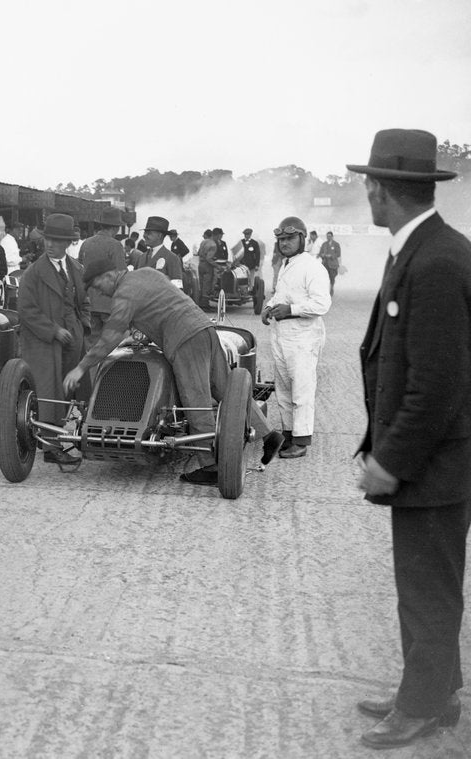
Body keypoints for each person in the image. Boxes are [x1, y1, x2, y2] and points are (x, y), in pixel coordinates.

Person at [345, 129, 471, 750]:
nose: (363, 191)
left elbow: (438, 386)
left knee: (427, 591)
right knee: (423, 585)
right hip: (432, 461)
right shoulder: (417, 248)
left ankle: (421, 705)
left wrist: (390, 461)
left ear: (380, 189)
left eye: (367, 182)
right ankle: (433, 691)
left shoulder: (439, 260)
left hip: (436, 465)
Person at [63, 262, 285, 483]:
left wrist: (81, 368)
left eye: (96, 283)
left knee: (195, 401)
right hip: (204, 329)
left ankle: (211, 467)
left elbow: (109, 338)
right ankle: (269, 435)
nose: (97, 290)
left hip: (184, 339)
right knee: (226, 390)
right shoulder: (147, 273)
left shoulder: (124, 295)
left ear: (110, 274)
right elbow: (164, 306)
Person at [18, 214, 90, 465]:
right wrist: (53, 331)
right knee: (50, 393)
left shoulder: (76, 268)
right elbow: (26, 310)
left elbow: (85, 300)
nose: (49, 244)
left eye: (56, 240)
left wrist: (83, 326)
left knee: (75, 389)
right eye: (48, 239)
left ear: (67, 243)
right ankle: (51, 447)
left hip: (74, 338)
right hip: (45, 342)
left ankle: (79, 436)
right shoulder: (33, 273)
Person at [260, 216, 331, 458]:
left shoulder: (312, 266)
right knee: (283, 389)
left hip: (303, 337)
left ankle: (301, 440)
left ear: (302, 238)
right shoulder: (286, 264)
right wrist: (269, 306)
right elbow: (281, 294)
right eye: (280, 239)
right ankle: (288, 434)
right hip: (282, 336)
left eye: (290, 238)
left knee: (301, 389)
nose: (284, 243)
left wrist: (291, 310)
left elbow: (322, 303)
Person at [81, 206, 127, 346]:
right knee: (113, 346)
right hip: (109, 304)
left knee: (92, 345)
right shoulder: (115, 245)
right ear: (115, 228)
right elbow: (121, 276)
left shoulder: (86, 243)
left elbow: (80, 270)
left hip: (89, 303)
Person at [140, 215, 184, 288]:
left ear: (159, 236)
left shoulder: (172, 258)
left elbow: (177, 290)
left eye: (148, 233)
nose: (144, 236)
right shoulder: (141, 257)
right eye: (145, 232)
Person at [196, 228, 217, 306]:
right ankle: (205, 304)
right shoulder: (213, 244)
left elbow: (198, 253)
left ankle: (201, 302)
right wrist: (217, 265)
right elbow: (209, 258)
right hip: (207, 266)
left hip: (200, 264)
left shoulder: (202, 242)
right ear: (211, 235)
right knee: (207, 284)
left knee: (201, 283)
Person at [317, 231, 342, 295]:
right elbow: (320, 253)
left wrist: (331, 256)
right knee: (324, 277)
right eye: (327, 236)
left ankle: (332, 287)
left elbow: (338, 254)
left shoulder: (336, 244)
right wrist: (322, 255)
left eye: (330, 236)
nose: (328, 237)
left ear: (332, 237)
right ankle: (325, 290)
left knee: (332, 277)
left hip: (333, 264)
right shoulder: (324, 244)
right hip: (325, 263)